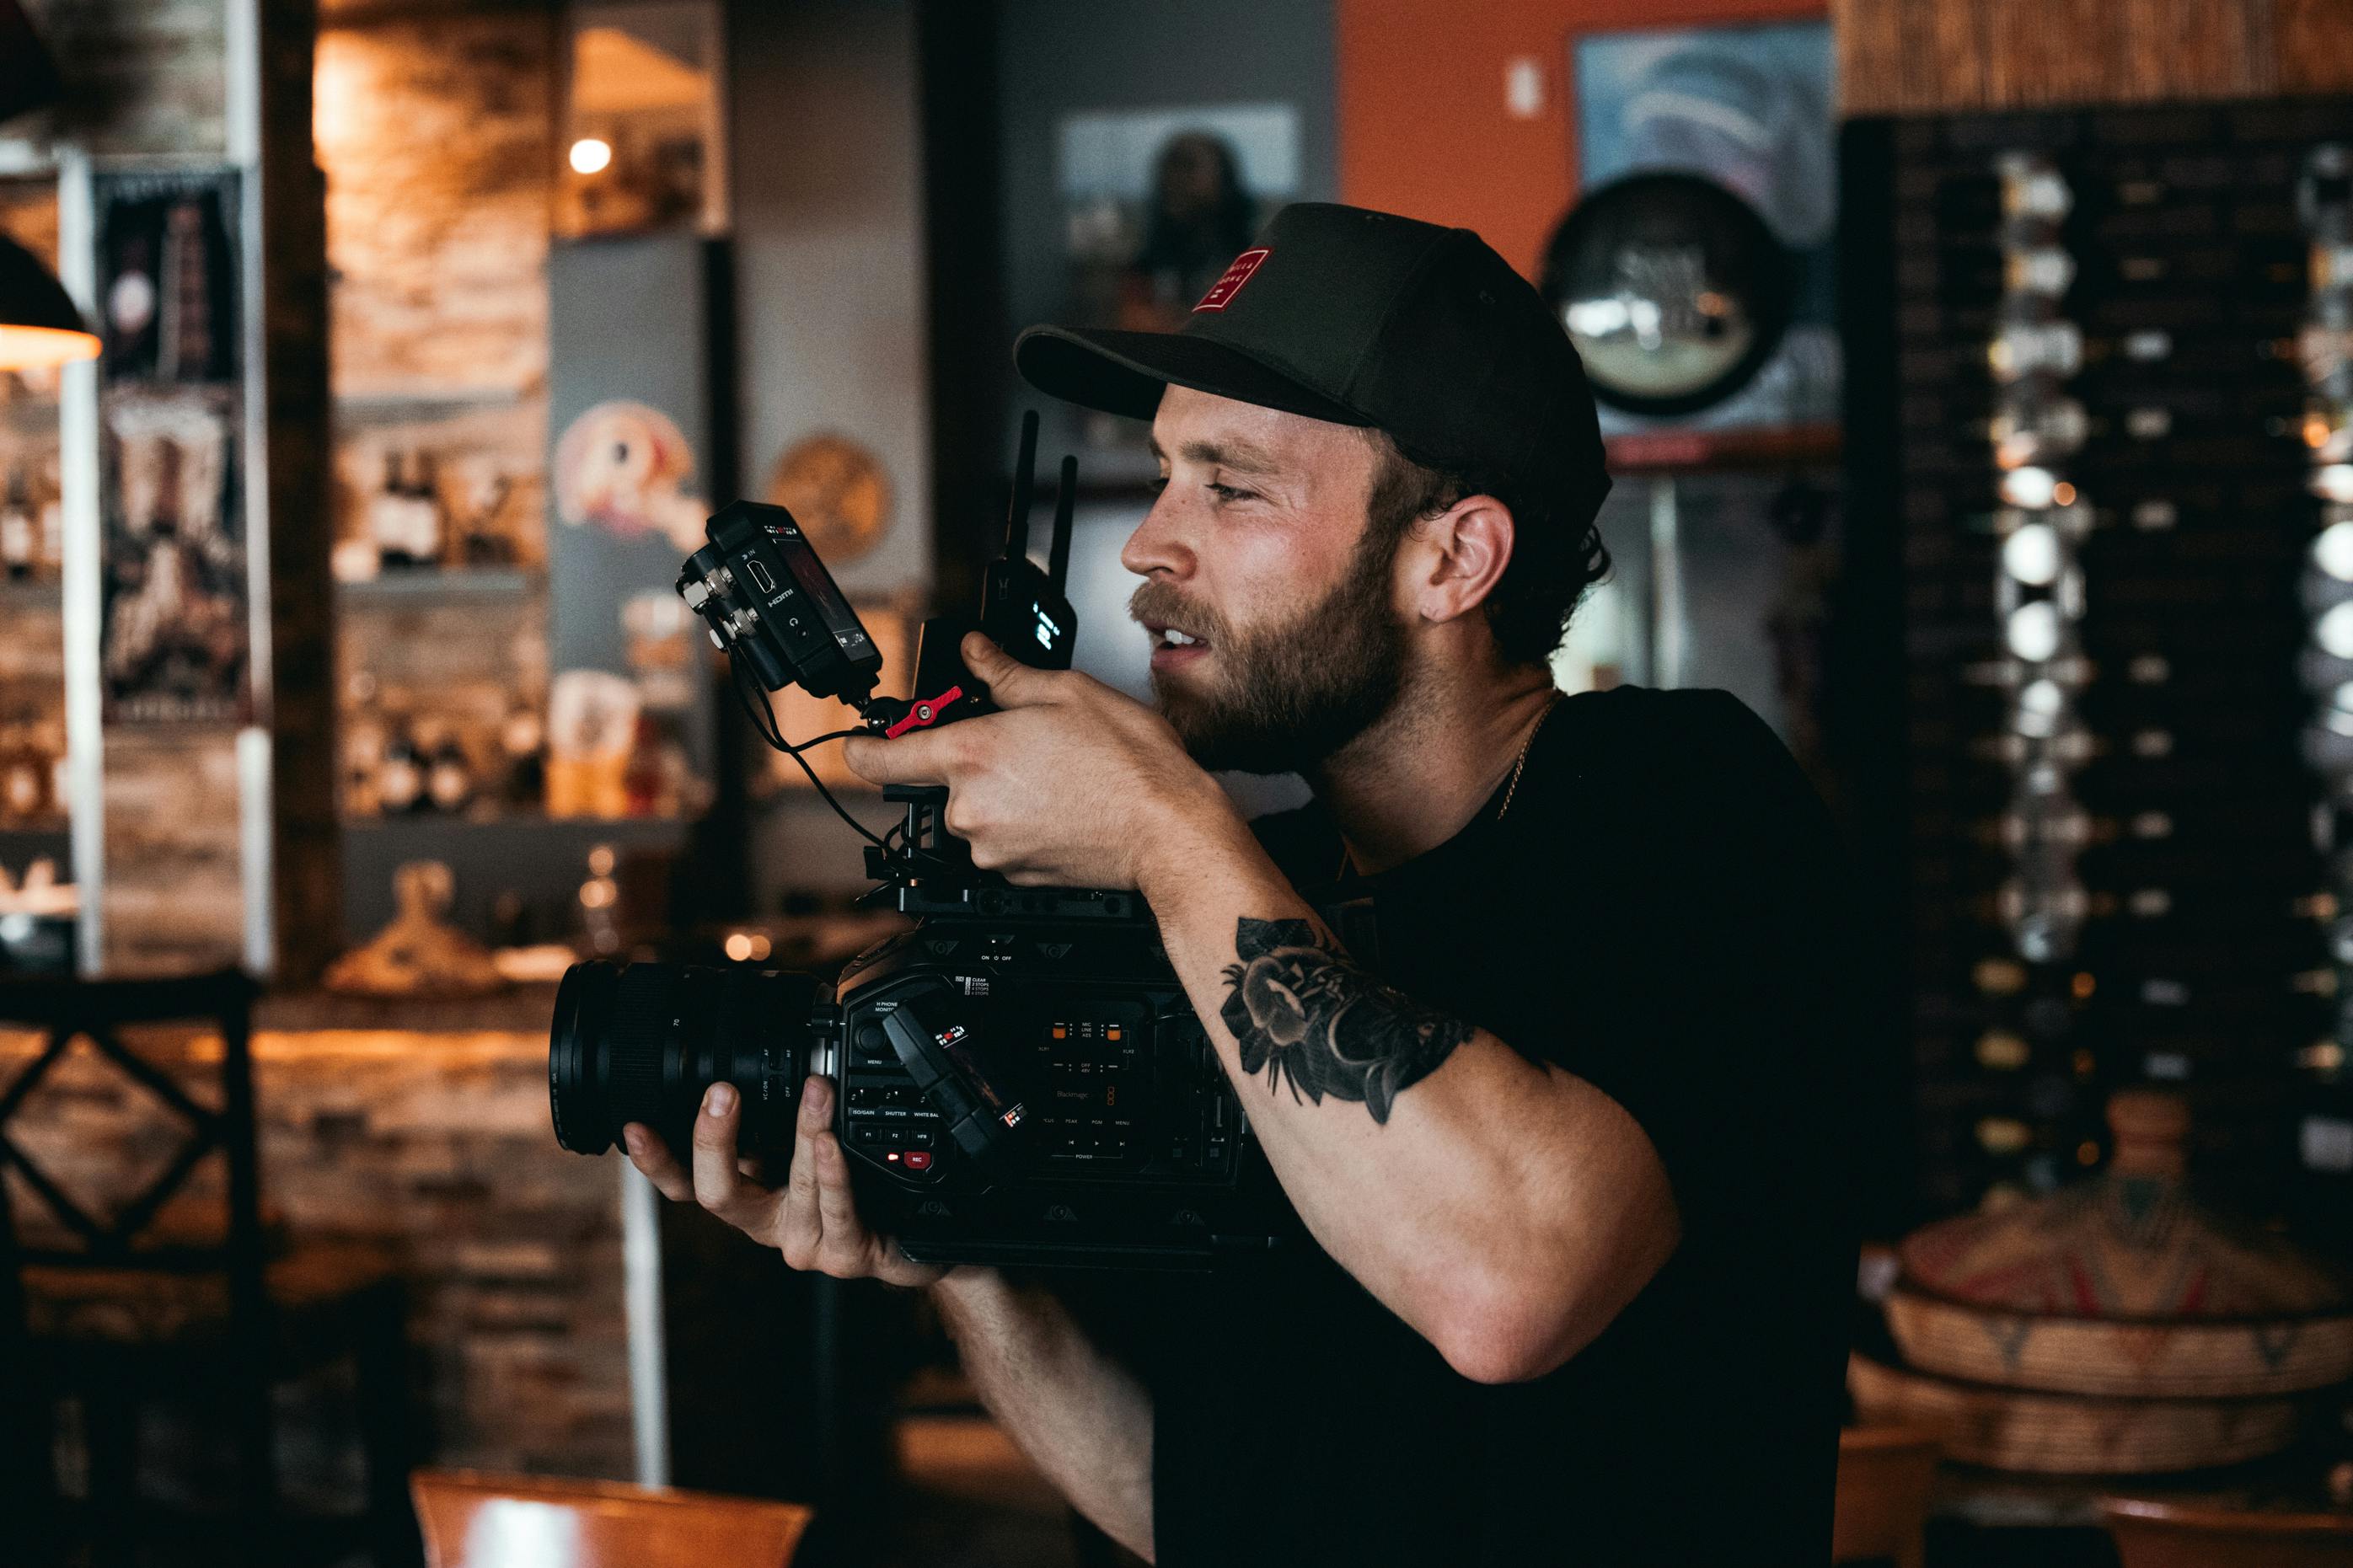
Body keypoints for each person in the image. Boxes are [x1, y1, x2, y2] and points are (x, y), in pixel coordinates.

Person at [624, 202, 1861, 1565]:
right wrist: (962, 1254)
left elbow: (1513, 1284)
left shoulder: (1681, 801)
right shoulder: (1243, 883)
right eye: (1160, 475)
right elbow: (1188, 1500)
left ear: (1453, 557)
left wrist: (1162, 826)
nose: (1150, 544)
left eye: (1231, 484)